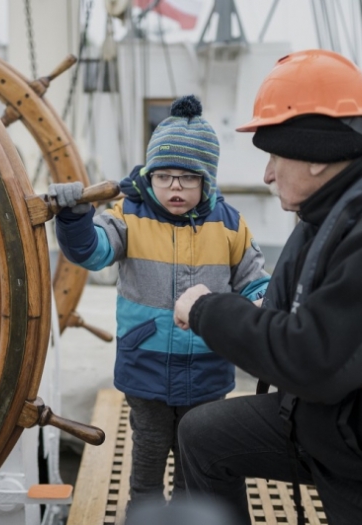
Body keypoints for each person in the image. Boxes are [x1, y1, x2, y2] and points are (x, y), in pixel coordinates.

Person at [172, 49, 362, 525]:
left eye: (275, 155)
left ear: (316, 156)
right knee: (203, 435)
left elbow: (311, 360)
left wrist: (206, 310)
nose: (268, 174)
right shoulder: (333, 210)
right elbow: (289, 308)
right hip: (340, 423)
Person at [49, 94, 270, 509]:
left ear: (207, 180)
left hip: (207, 370)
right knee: (148, 463)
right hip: (144, 368)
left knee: (194, 462)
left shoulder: (229, 224)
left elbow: (254, 280)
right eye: (163, 176)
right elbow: (91, 252)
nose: (174, 187)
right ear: (148, 176)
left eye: (187, 178)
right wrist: (74, 217)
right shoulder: (127, 214)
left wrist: (269, 302)